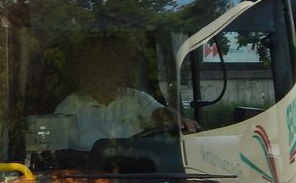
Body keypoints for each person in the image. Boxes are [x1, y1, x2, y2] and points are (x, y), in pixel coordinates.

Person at [54, 39, 196, 151]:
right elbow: (57, 150)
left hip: (133, 171)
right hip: (83, 175)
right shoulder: (69, 106)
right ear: (90, 71)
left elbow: (160, 113)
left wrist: (176, 118)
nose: (107, 72)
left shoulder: (136, 98)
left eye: (113, 66)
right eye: (100, 66)